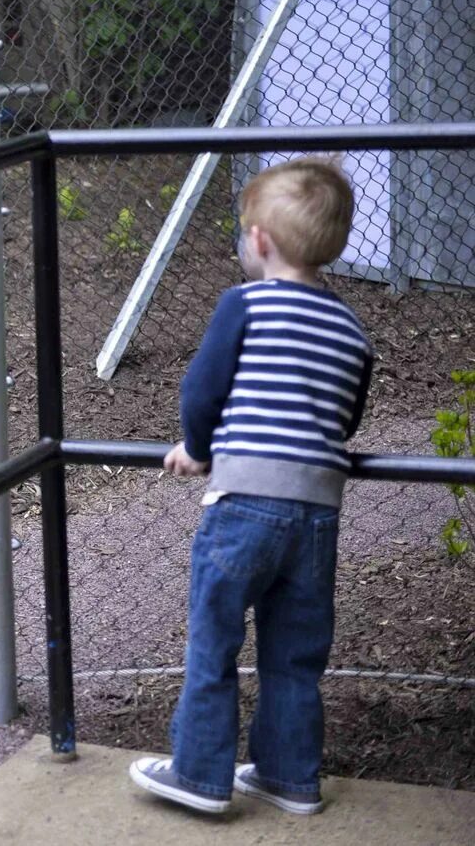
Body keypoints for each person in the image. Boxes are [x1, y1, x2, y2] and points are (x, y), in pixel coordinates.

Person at [127, 156, 374, 816]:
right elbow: (347, 416)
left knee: (214, 638)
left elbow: (202, 388)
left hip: (244, 506)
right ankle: (289, 775)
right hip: (317, 512)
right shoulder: (351, 328)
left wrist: (197, 448)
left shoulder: (244, 304)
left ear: (259, 241)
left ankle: (199, 773)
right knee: (294, 652)